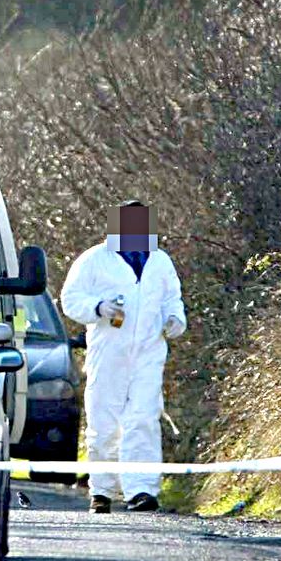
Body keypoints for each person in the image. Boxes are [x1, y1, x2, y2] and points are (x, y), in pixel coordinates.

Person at [59, 199, 186, 513]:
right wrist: (98, 308)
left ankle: (141, 489)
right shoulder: (93, 260)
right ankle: (101, 491)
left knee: (143, 418)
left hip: (149, 350)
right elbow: (70, 298)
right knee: (104, 420)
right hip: (108, 351)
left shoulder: (159, 261)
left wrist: (174, 320)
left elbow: (172, 299)